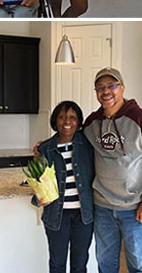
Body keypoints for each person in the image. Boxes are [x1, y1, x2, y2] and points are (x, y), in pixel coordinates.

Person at [83, 67, 142, 273]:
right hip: (102, 206)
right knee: (105, 264)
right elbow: (74, 144)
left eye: (111, 86)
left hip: (135, 207)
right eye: (100, 87)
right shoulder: (92, 123)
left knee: (138, 265)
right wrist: (45, 147)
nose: (106, 92)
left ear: (122, 88)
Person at [33, 101, 95, 273]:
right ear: (55, 121)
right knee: (57, 264)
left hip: (84, 216)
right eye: (61, 117)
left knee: (80, 264)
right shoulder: (45, 148)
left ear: (79, 121)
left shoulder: (88, 145)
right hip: (56, 216)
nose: (67, 121)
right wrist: (38, 198)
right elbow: (39, 180)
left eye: (72, 117)